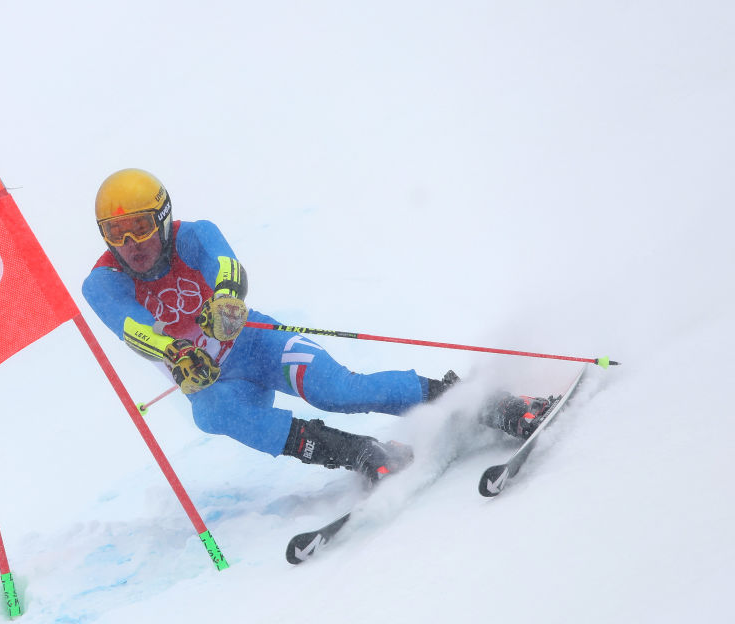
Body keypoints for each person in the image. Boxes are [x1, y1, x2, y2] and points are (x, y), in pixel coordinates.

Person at [82, 169, 552, 482]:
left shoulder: (193, 235)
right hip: (208, 377)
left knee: (342, 392)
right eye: (116, 233)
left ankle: (491, 403)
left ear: (163, 218)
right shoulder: (102, 282)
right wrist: (177, 352)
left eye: (141, 226)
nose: (131, 243)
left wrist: (226, 299)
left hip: (256, 344)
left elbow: (227, 267)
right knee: (210, 414)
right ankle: (359, 453)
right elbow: (133, 327)